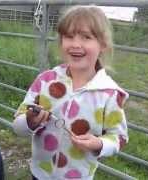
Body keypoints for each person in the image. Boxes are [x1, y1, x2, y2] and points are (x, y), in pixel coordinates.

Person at [13, 5, 129, 180]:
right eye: (69, 36)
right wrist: (30, 121)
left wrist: (99, 144)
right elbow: (18, 127)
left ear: (103, 44)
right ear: (61, 41)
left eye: (86, 37)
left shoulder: (109, 94)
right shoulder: (45, 81)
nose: (75, 44)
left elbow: (119, 137)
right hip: (40, 174)